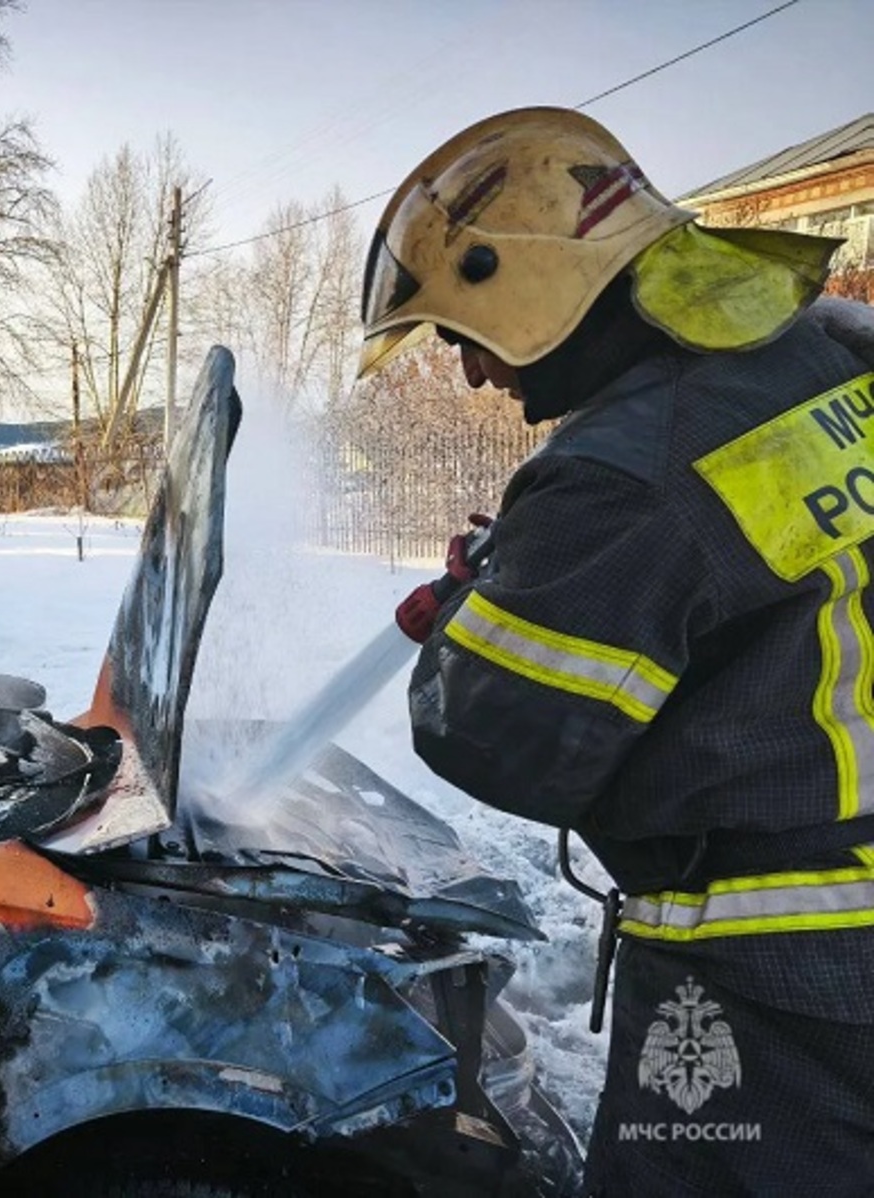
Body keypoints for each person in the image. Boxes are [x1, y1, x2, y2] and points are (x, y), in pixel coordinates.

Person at [357, 106, 874, 1194]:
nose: (470, 377)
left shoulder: (623, 471)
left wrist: (477, 611)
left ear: (528, 287)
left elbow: (494, 737)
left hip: (785, 970)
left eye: (462, 335)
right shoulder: (823, 358)